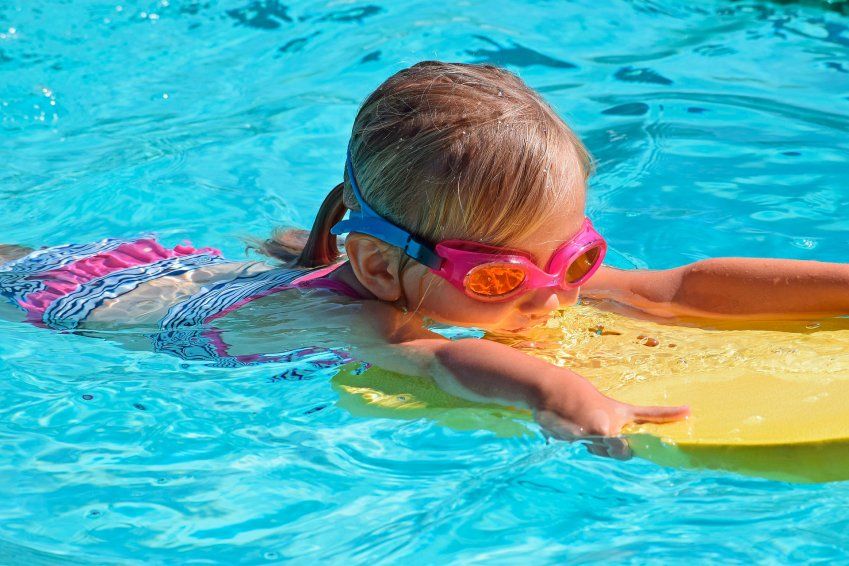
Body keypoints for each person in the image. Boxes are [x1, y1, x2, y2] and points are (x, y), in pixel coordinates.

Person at [3, 62, 848, 439]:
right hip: (76, 304)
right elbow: (441, 366)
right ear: (379, 269)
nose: (554, 296)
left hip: (180, 273)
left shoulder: (525, 279)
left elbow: (678, 290)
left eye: (577, 258)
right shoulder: (364, 320)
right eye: (499, 276)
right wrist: (567, 398)